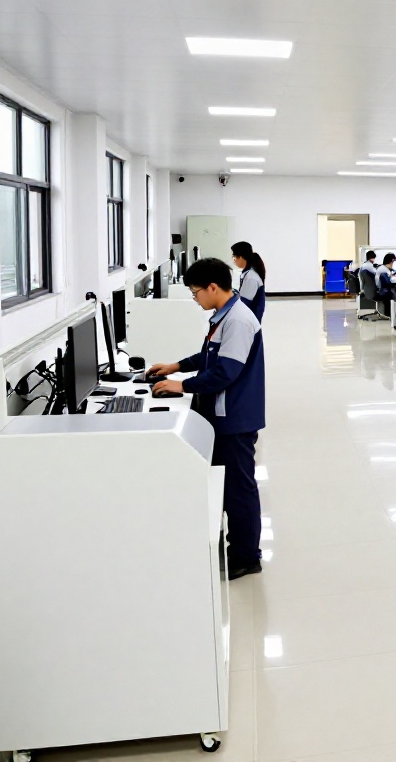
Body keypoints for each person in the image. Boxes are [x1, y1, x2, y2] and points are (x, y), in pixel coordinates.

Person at [145, 258, 267, 580]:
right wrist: (176, 367)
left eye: (196, 292)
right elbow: (210, 356)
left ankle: (247, 556)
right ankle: (232, 546)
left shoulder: (238, 320)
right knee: (226, 487)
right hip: (223, 415)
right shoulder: (224, 315)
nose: (195, 298)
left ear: (213, 287)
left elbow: (226, 371)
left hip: (235, 418)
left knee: (239, 490)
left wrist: (181, 385)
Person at [230, 241, 266, 322]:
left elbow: (244, 303)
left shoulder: (251, 277)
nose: (234, 260)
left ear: (241, 257)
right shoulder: (248, 274)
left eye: (234, 256)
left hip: (250, 322)